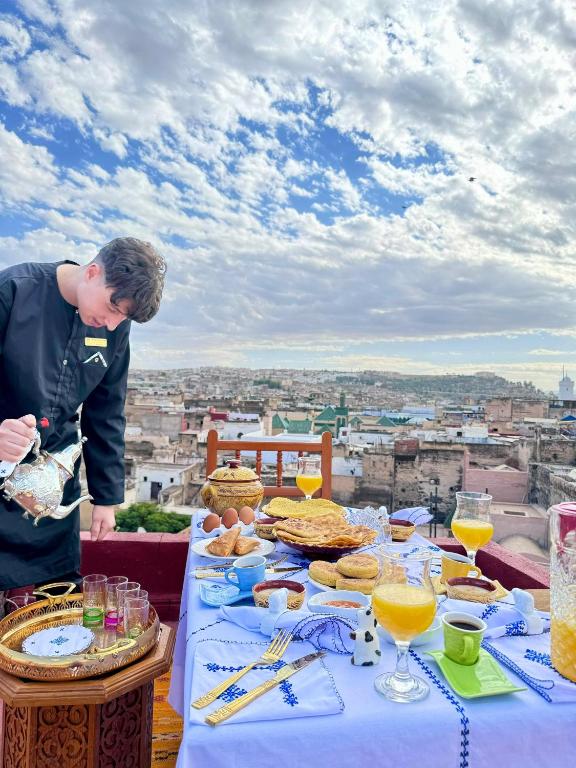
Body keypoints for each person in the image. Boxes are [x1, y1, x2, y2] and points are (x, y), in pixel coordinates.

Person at [0, 237, 166, 602]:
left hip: (54, 479)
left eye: (122, 317)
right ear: (92, 272)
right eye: (111, 308)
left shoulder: (115, 327)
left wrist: (107, 499)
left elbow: (106, 412)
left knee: (57, 599)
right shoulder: (13, 291)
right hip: (2, 464)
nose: (110, 324)